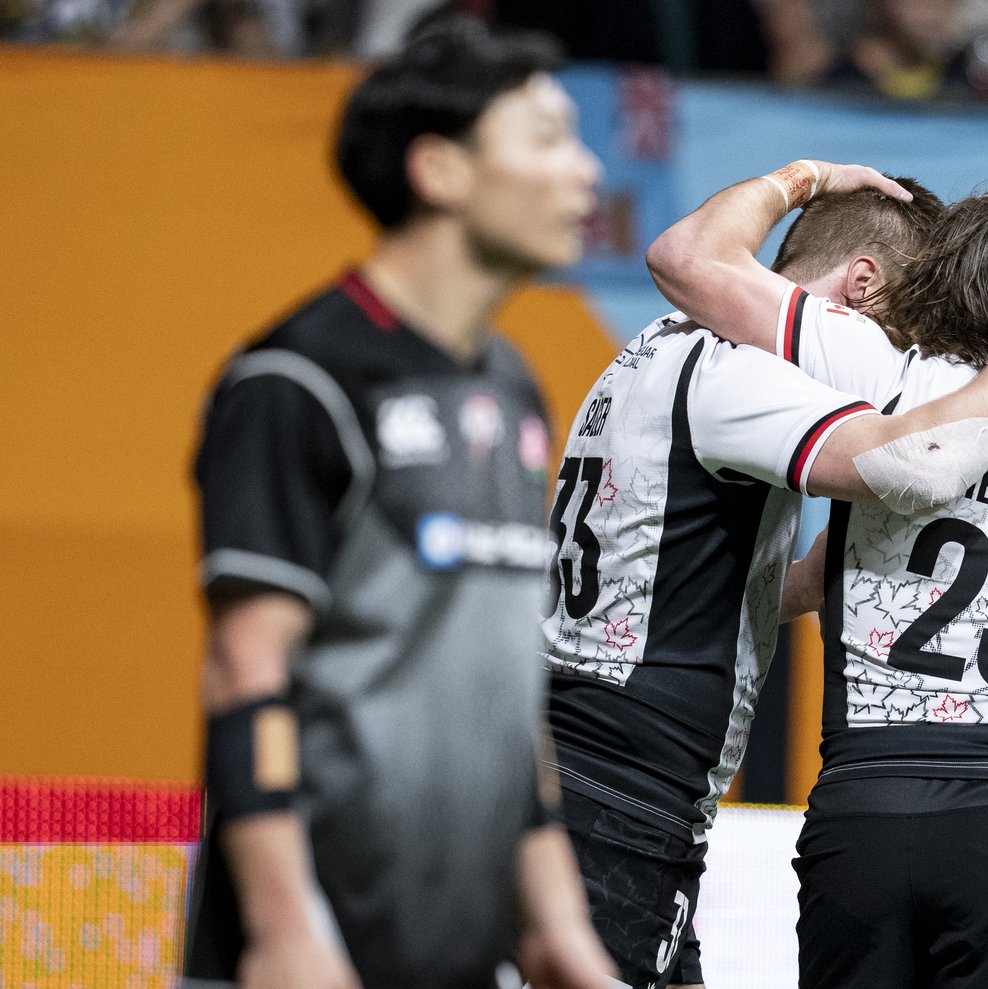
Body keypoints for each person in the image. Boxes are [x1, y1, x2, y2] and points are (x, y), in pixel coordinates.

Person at [545, 160, 988, 989]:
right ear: (862, 287)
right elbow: (921, 460)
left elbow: (692, 584)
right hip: (624, 791)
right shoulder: (740, 373)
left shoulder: (648, 351)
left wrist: (839, 567)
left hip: (592, 771)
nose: (910, 360)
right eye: (909, 329)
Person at [183, 16, 616, 989]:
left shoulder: (511, 389)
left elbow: (507, 694)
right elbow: (244, 668)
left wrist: (557, 923)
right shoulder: (296, 381)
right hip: (312, 948)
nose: (584, 172)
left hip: (464, 944)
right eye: (546, 138)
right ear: (440, 171)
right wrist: (285, 928)